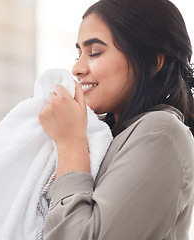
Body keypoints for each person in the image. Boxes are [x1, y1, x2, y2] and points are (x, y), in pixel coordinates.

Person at [38, 0, 194, 239]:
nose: (77, 68)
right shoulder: (105, 135)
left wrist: (70, 141)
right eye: (79, 53)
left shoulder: (161, 132)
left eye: (95, 52)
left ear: (153, 62)